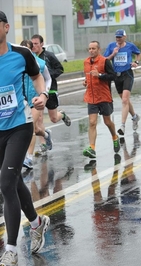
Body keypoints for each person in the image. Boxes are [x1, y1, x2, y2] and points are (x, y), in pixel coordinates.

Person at [0, 11, 50, 265]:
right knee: (14, 180)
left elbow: (37, 76)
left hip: (19, 126)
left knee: (6, 183)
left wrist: (43, 96)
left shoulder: (21, 54)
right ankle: (37, 222)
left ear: (6, 27)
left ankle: (11, 249)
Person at [31, 34, 71, 151]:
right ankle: (43, 144)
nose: (34, 46)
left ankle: (62, 114)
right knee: (38, 119)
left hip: (50, 89)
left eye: (36, 43)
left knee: (53, 118)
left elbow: (60, 69)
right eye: (32, 43)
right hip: (38, 91)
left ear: (42, 44)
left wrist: (47, 74)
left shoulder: (49, 56)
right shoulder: (31, 57)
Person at [82, 41, 120, 158]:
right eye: (89, 49)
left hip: (103, 96)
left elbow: (113, 76)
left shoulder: (104, 61)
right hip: (91, 97)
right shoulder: (86, 62)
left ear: (98, 49)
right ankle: (92, 148)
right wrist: (86, 82)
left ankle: (115, 136)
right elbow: (88, 76)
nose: (91, 51)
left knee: (107, 122)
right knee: (92, 122)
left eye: (93, 48)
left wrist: (100, 76)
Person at [20, 40, 53, 169]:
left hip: (36, 100)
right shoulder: (17, 64)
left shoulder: (39, 63)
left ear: (32, 50)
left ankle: (28, 158)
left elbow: (48, 78)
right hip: (22, 100)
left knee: (31, 127)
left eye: (27, 49)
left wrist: (44, 93)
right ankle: (46, 134)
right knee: (31, 129)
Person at [104, 29, 141, 135]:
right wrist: (113, 54)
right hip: (117, 75)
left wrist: (136, 62)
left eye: (120, 37)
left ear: (125, 37)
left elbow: (138, 53)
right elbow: (105, 59)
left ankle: (122, 126)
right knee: (125, 100)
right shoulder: (111, 46)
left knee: (124, 100)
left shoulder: (130, 46)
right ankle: (134, 117)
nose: (118, 39)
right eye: (117, 37)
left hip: (127, 74)